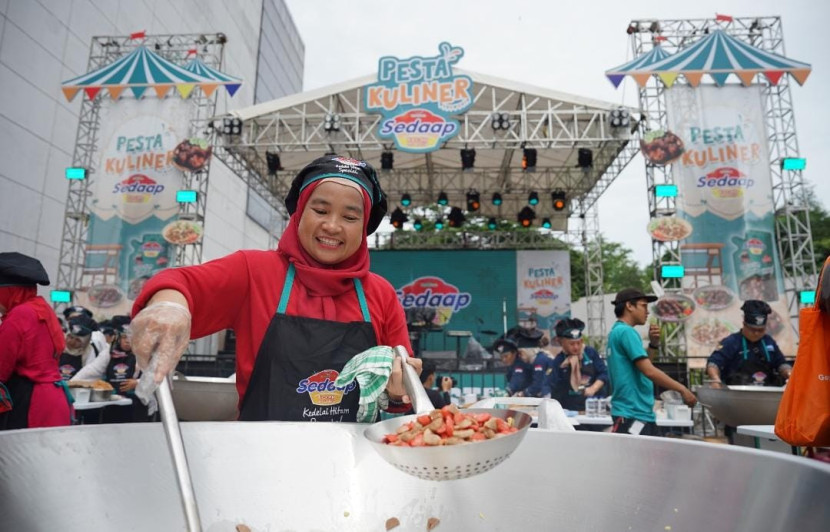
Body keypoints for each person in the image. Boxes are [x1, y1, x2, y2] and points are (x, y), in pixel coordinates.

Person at [130, 155, 418, 422]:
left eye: (350, 217)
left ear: (364, 225)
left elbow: (398, 398)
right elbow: (179, 283)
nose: (332, 225)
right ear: (299, 213)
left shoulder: (380, 294)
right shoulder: (253, 271)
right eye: (320, 210)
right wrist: (170, 306)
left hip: (352, 465)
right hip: (262, 456)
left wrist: (398, 391)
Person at [606, 288, 697, 436]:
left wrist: (653, 344)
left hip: (634, 414)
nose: (647, 312)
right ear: (629, 306)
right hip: (632, 414)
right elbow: (649, 371)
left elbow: (642, 368)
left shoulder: (616, 331)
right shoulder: (627, 332)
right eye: (643, 306)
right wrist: (683, 389)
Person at [0, 252, 72, 430]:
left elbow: (1, 367)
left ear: (9, 292)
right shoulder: (42, 308)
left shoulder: (19, 315)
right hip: (53, 399)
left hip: (30, 402)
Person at [72, 320, 148, 423]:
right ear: (118, 337)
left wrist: (138, 382)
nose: (127, 341)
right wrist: (71, 384)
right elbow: (91, 371)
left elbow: (156, 377)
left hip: (137, 404)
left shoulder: (144, 354)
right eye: (124, 337)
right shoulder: (109, 353)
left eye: (131, 337)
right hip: (113, 402)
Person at [706, 300, 792, 387]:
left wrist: (789, 373)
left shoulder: (769, 342)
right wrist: (715, 379)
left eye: (760, 330)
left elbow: (781, 363)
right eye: (752, 329)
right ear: (744, 324)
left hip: (766, 393)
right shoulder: (731, 342)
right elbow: (713, 363)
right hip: (735, 394)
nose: (756, 333)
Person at [549, 318, 609, 412]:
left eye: (579, 343)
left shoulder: (590, 353)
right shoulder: (559, 360)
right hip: (570, 409)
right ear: (562, 343)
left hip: (593, 406)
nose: (576, 347)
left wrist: (593, 388)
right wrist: (563, 368)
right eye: (572, 344)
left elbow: (604, 373)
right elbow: (553, 386)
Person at [59, 315, 108, 381]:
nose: (72, 342)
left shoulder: (92, 354)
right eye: (70, 337)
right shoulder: (56, 348)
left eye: (78, 340)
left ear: (86, 342)